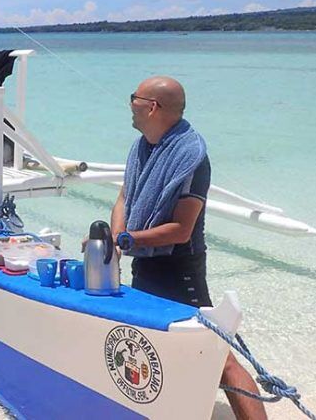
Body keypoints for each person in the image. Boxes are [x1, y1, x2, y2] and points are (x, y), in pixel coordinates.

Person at [111, 76, 267, 420]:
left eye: (134, 98)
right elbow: (124, 196)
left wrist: (129, 240)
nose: (130, 104)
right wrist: (116, 237)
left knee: (220, 357)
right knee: (153, 346)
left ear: (152, 107)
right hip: (146, 265)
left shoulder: (191, 157)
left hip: (180, 269)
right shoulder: (143, 146)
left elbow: (182, 230)